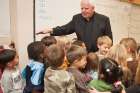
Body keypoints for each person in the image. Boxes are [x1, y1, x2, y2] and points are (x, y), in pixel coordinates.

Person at [37, 0, 112, 52]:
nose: (83, 11)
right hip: (82, 54)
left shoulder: (104, 19)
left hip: (98, 55)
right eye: (82, 8)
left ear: (93, 8)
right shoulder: (77, 18)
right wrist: (50, 30)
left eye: (86, 8)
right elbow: (65, 28)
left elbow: (109, 39)